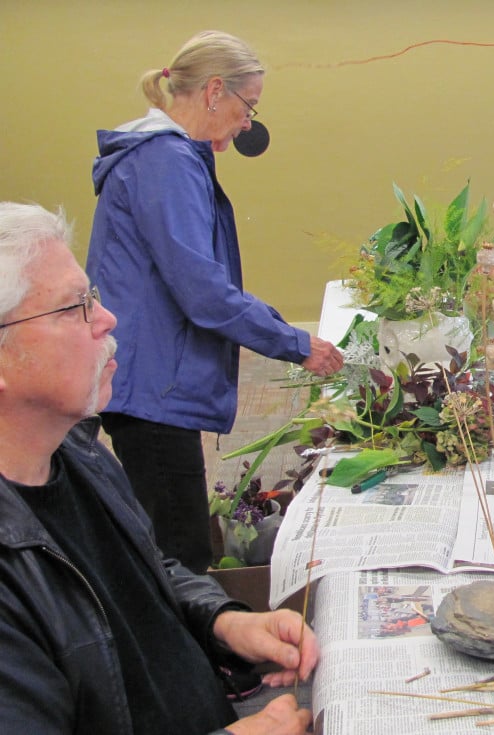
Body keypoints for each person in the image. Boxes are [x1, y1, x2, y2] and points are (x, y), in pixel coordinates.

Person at [0, 201, 317, 734]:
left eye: (92, 297)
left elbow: (146, 575)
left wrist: (226, 622)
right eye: (71, 308)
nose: (106, 319)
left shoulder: (76, 454)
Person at [86, 31, 345, 574]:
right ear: (213, 92)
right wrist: (294, 343)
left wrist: (280, 327)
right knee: (180, 557)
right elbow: (202, 291)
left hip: (151, 377)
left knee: (170, 538)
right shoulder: (167, 161)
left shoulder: (165, 157)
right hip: (152, 386)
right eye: (248, 105)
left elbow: (199, 280)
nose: (248, 122)